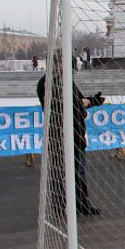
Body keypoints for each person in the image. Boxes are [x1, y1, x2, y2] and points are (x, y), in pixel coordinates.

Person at [37, 53, 105, 216]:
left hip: (76, 133)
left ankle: (81, 204)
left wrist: (91, 101)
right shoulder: (49, 82)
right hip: (61, 134)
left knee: (78, 171)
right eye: (67, 62)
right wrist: (84, 103)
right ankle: (61, 207)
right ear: (58, 63)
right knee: (63, 172)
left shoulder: (66, 81)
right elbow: (67, 105)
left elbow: (78, 101)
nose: (72, 66)